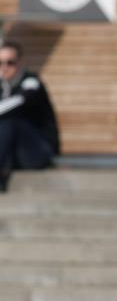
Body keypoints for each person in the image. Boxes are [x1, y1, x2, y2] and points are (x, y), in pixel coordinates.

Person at [0, 41, 59, 191]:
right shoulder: (2, 86)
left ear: (20, 62)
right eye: (0, 62)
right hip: (14, 155)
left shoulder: (31, 82)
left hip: (38, 151)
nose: (4, 67)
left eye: (10, 62)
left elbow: (21, 100)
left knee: (10, 122)